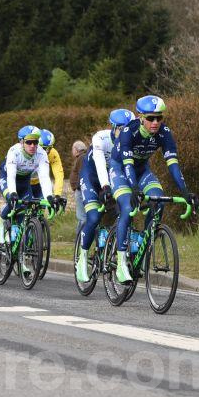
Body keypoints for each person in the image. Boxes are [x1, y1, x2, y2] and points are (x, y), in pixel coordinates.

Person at [109, 96, 196, 283]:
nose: (155, 122)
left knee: (158, 201)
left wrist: (185, 191)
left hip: (143, 171)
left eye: (159, 118)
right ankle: (122, 261)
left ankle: (142, 245)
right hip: (121, 169)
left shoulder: (164, 133)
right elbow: (127, 164)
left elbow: (173, 165)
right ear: (141, 117)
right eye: (150, 118)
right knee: (127, 207)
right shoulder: (128, 132)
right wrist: (133, 189)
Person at [75, 110, 134, 283]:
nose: (125, 133)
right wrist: (105, 187)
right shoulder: (101, 138)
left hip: (112, 180)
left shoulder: (130, 142)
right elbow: (101, 165)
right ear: (113, 127)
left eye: (128, 129)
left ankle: (116, 253)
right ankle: (83, 258)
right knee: (93, 217)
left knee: (125, 212)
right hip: (92, 178)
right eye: (121, 129)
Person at [0, 125, 58, 245]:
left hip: (24, 181)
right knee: (12, 200)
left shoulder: (41, 154)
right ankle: (1, 224)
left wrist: (49, 196)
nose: (33, 146)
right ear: (21, 142)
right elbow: (11, 177)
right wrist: (12, 193)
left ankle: (20, 250)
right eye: (29, 142)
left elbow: (44, 177)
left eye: (35, 142)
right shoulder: (14, 152)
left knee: (25, 208)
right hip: (8, 177)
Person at [30, 129, 64, 199]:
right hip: (24, 182)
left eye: (50, 148)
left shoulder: (53, 153)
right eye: (44, 148)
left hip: (39, 183)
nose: (47, 152)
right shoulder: (28, 151)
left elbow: (59, 175)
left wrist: (57, 194)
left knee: (43, 205)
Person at [70, 139, 88, 234]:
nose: (72, 151)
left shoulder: (82, 158)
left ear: (76, 149)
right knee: (82, 217)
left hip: (81, 191)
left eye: (72, 149)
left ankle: (80, 240)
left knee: (82, 218)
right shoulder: (82, 157)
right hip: (80, 190)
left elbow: (82, 173)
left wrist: (78, 187)